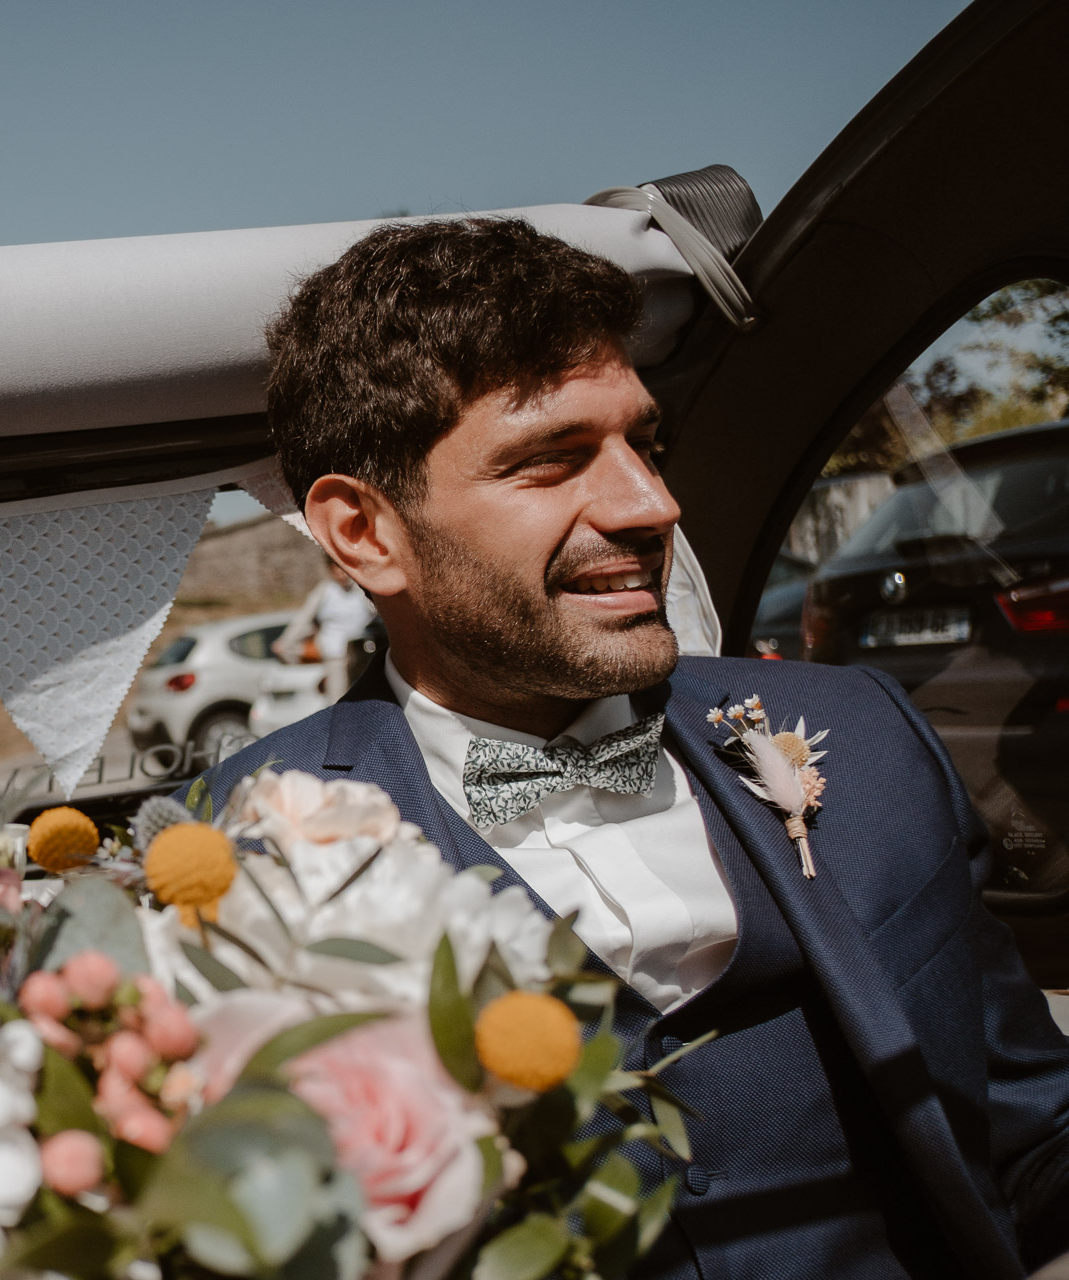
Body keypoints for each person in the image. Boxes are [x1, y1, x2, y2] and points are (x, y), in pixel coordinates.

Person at [189, 218, 1069, 1278]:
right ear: (363, 533)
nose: (651, 505)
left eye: (641, 445)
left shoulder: (867, 734)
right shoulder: (241, 849)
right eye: (550, 460)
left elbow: (1028, 1125)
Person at [275, 555, 377, 700]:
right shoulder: (325, 591)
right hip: (335, 654)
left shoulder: (361, 590)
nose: (341, 574)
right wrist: (285, 641)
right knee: (339, 698)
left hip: (362, 653)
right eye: (337, 569)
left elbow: (376, 614)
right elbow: (304, 618)